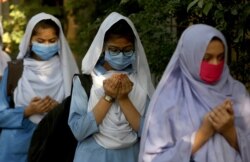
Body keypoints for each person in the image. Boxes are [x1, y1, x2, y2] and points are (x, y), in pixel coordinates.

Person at [138, 24, 250, 162]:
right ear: (190, 57)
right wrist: (202, 134)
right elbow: (154, 159)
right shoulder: (168, 100)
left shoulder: (237, 92)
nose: (215, 64)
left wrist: (230, 132)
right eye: (206, 58)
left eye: (220, 57)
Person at [68, 12, 155, 162]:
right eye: (114, 50)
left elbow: (150, 132)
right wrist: (107, 97)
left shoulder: (141, 81)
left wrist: (123, 99)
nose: (121, 56)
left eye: (127, 50)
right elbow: (79, 131)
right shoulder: (87, 81)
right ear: (102, 48)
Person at [0, 12, 79, 162]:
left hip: (54, 149)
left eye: (52, 40)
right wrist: (28, 111)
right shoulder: (14, 71)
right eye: (40, 41)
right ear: (30, 40)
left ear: (59, 41)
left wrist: (59, 111)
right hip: (15, 150)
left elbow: (80, 116)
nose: (47, 45)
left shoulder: (68, 72)